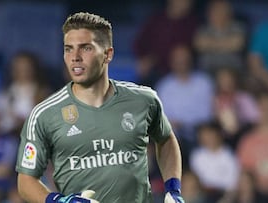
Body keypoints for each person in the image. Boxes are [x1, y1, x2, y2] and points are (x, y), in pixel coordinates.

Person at [16, 12, 184, 203]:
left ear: (108, 54)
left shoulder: (144, 100)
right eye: (68, 49)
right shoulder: (44, 115)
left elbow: (166, 139)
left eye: (85, 48)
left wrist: (173, 189)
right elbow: (26, 180)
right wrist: (59, 201)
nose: (75, 57)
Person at [132, 0, 198, 87]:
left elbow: (195, 48)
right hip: (157, 70)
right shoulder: (156, 20)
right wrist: (144, 59)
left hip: (184, 72)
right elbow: (138, 43)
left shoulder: (193, 23)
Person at [193, 0, 246, 74]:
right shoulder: (203, 29)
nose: (218, 13)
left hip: (232, 71)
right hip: (207, 71)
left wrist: (210, 44)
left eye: (221, 10)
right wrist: (226, 43)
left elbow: (236, 44)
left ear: (228, 13)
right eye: (215, 10)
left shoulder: (237, 27)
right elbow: (200, 45)